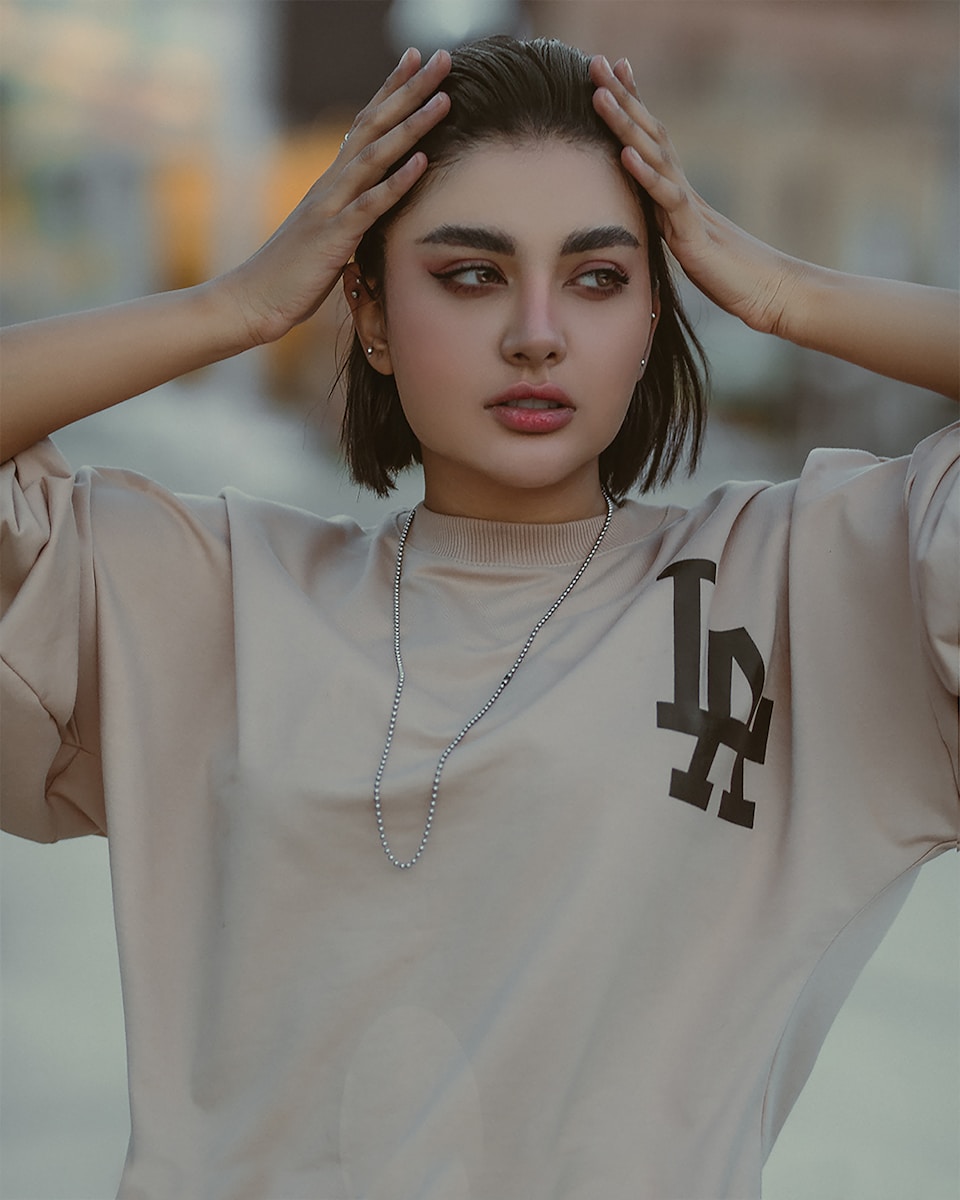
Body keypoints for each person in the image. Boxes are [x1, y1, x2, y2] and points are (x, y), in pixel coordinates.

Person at [1, 34, 956, 1200]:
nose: (538, 332)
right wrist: (235, 306)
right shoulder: (214, 595)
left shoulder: (799, 587)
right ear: (371, 312)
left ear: (657, 312)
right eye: (471, 274)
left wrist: (785, 291)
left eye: (600, 277)